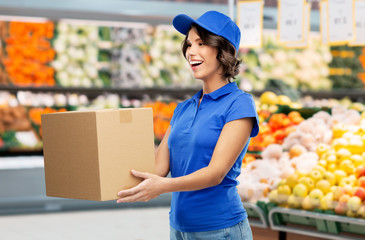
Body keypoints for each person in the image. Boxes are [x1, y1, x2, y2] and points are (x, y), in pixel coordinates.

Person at [117, 10, 259, 240]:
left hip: (221, 229)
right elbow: (157, 169)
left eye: (201, 43)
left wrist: (163, 186)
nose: (191, 51)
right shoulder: (183, 109)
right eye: (189, 44)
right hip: (179, 229)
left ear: (224, 51)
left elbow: (215, 174)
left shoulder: (239, 104)